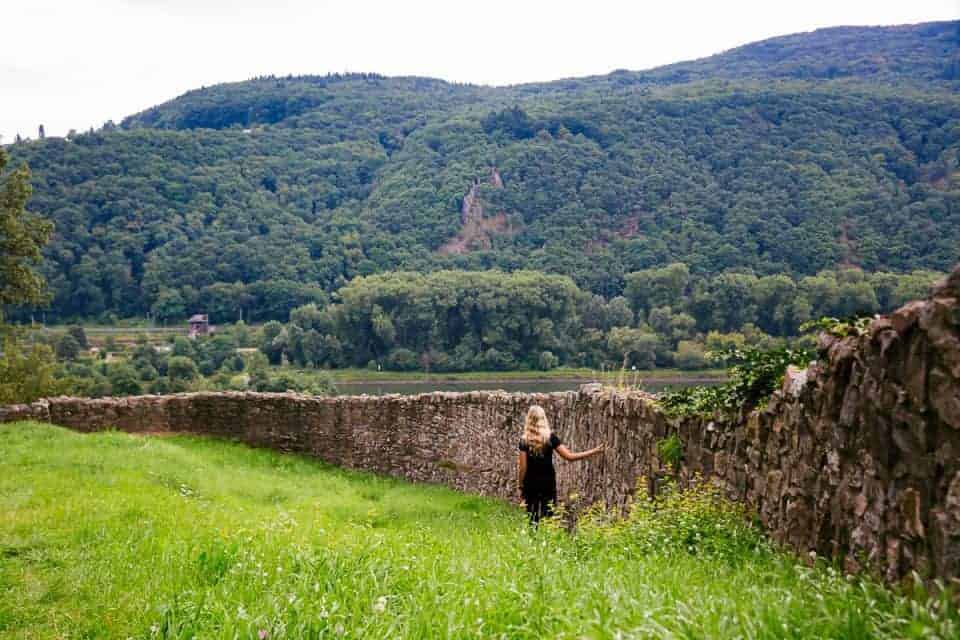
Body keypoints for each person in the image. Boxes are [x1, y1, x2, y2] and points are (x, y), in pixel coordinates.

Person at [517, 405, 604, 523]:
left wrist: (521, 485)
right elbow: (569, 457)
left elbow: (523, 468)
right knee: (549, 514)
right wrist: (593, 451)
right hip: (548, 481)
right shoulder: (551, 438)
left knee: (532, 516)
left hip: (530, 483)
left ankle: (533, 539)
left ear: (529, 419)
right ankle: (549, 537)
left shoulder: (524, 441)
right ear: (543, 419)